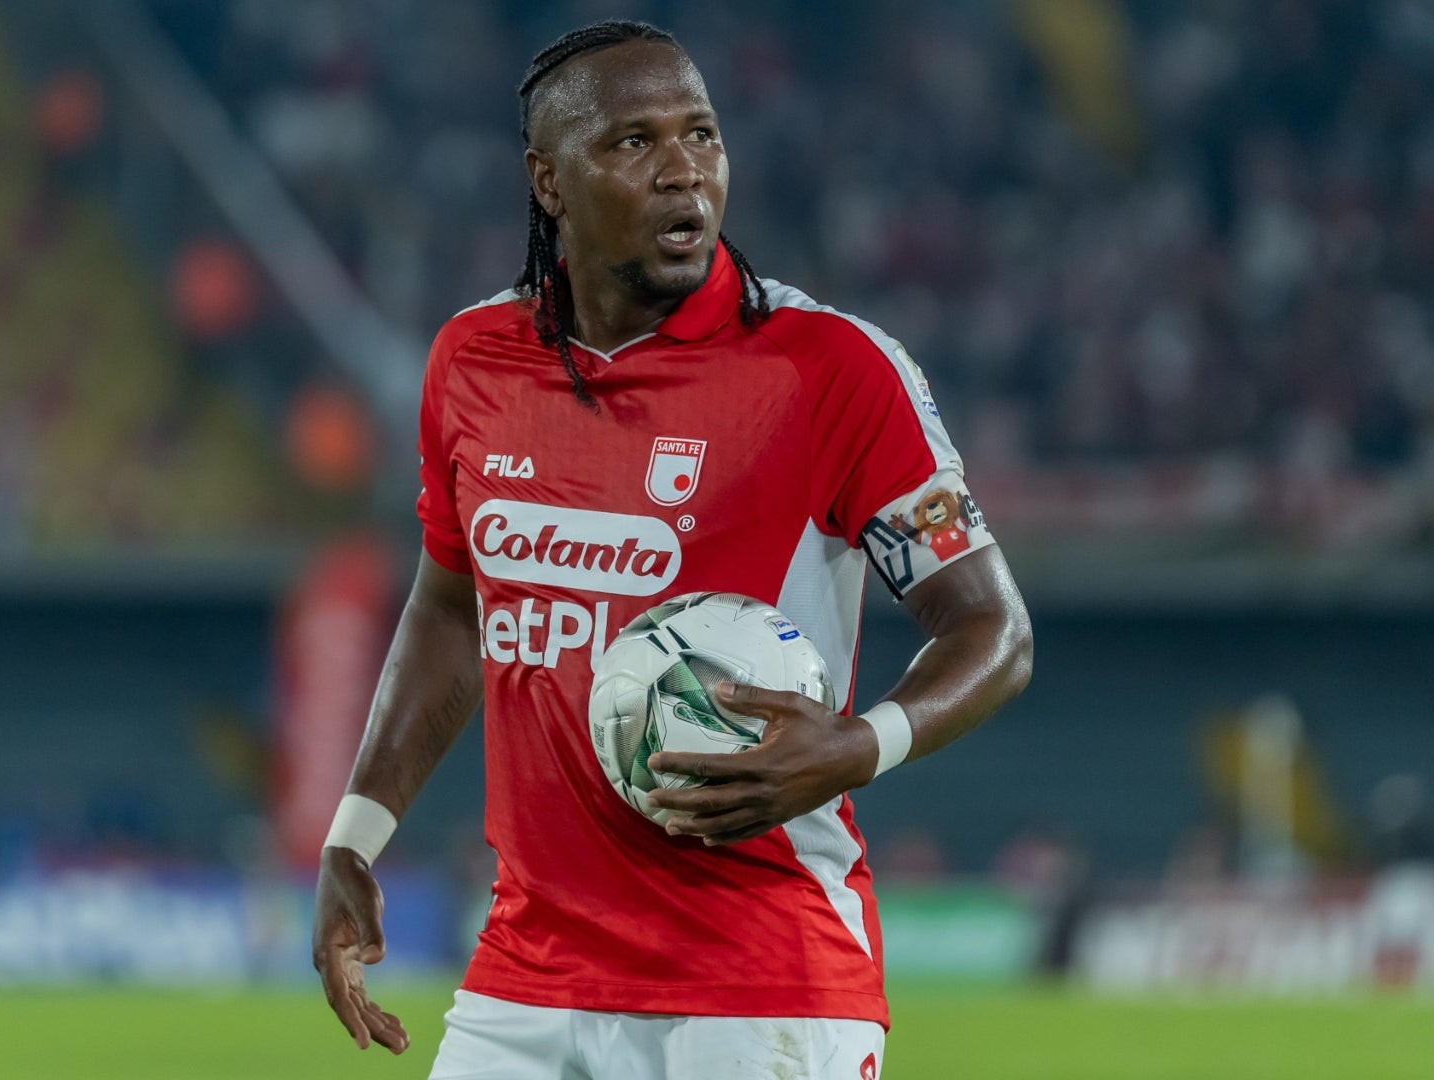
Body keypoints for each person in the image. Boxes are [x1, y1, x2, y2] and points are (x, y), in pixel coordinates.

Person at [311, 20, 1033, 1079]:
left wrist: (859, 743)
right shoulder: (474, 362)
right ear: (547, 181)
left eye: (701, 135)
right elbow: (453, 609)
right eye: (634, 143)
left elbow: (994, 629)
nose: (683, 171)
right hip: (528, 973)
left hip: (761, 982)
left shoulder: (827, 370)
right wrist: (356, 833)